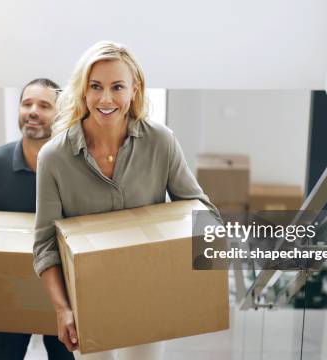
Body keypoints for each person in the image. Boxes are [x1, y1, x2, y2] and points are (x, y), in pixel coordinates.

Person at [33, 41, 220, 359]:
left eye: (117, 87)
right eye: (96, 87)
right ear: (83, 91)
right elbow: (45, 245)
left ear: (135, 89)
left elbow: (202, 212)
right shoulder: (54, 157)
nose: (105, 99)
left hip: (149, 296)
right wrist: (62, 310)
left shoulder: (161, 142)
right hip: (87, 303)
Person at [0, 78, 75, 360]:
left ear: (61, 114)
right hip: (7, 297)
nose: (32, 111)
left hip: (65, 300)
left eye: (44, 105)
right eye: (26, 103)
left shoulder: (75, 168)